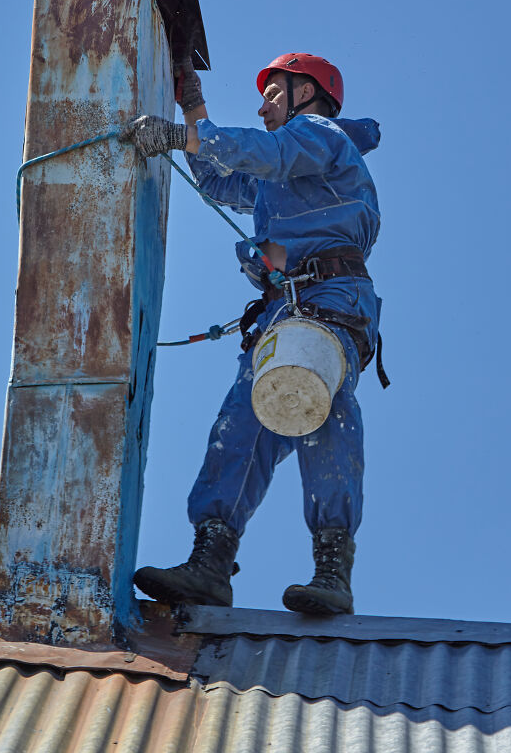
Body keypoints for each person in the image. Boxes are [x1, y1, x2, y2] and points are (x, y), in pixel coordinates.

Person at [121, 52, 383, 616]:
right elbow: (219, 176)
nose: (263, 105)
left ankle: (332, 568)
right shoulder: (278, 175)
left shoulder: (318, 136)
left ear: (305, 93)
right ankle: (210, 563)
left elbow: (269, 153)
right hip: (284, 311)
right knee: (242, 420)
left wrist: (179, 133)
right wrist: (192, 106)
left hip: (331, 304)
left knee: (322, 410)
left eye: (273, 93)